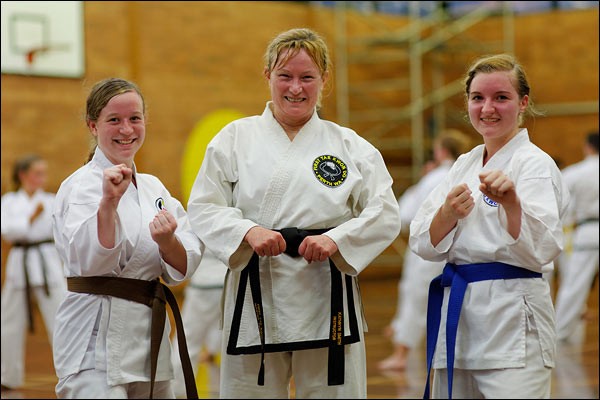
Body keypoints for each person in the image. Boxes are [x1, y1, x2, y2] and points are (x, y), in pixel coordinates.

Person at [186, 27, 401, 399]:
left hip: (326, 291)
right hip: (256, 288)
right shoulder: (233, 139)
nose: (295, 88)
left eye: (307, 77)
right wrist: (247, 232)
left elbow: (384, 212)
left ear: (324, 80)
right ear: (267, 75)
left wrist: (336, 239)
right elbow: (204, 206)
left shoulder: (350, 146)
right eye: (285, 76)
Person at [409, 54, 569, 399]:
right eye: (477, 97)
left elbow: (543, 248)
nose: (487, 108)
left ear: (523, 103)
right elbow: (421, 241)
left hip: (512, 320)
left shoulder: (534, 165)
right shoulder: (463, 165)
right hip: (459, 315)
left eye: (501, 97)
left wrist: (511, 204)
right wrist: (447, 214)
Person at [51, 77, 203, 399]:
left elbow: (185, 263)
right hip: (94, 341)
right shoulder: (81, 186)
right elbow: (88, 261)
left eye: (135, 118)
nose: (126, 129)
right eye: (114, 120)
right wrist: (108, 203)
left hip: (149, 339)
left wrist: (168, 242)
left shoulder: (153, 188)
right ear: (93, 126)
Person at [378, 129, 472, 372]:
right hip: (461, 251)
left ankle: (401, 355)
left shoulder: (433, 178)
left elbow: (405, 215)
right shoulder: (467, 173)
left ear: (441, 151)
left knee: (415, 298)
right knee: (452, 302)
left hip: (428, 247)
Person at [1, 154, 67, 391]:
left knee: (62, 321)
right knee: (8, 322)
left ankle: (70, 374)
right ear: (23, 175)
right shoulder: (9, 201)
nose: (42, 178)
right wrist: (31, 217)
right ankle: (7, 376)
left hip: (47, 262)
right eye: (37, 173)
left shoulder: (51, 200)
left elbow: (62, 233)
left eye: (43, 173)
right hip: (21, 262)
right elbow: (7, 231)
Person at [554, 131, 599, 344]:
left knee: (574, 285)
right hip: (587, 230)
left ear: (587, 146)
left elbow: (563, 206)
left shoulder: (575, 173)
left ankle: (560, 332)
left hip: (588, 232)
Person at [170, 248, 227, 398]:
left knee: (187, 342)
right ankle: (221, 393)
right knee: (224, 345)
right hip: (229, 281)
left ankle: (178, 392)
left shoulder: (191, 222)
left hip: (203, 282)